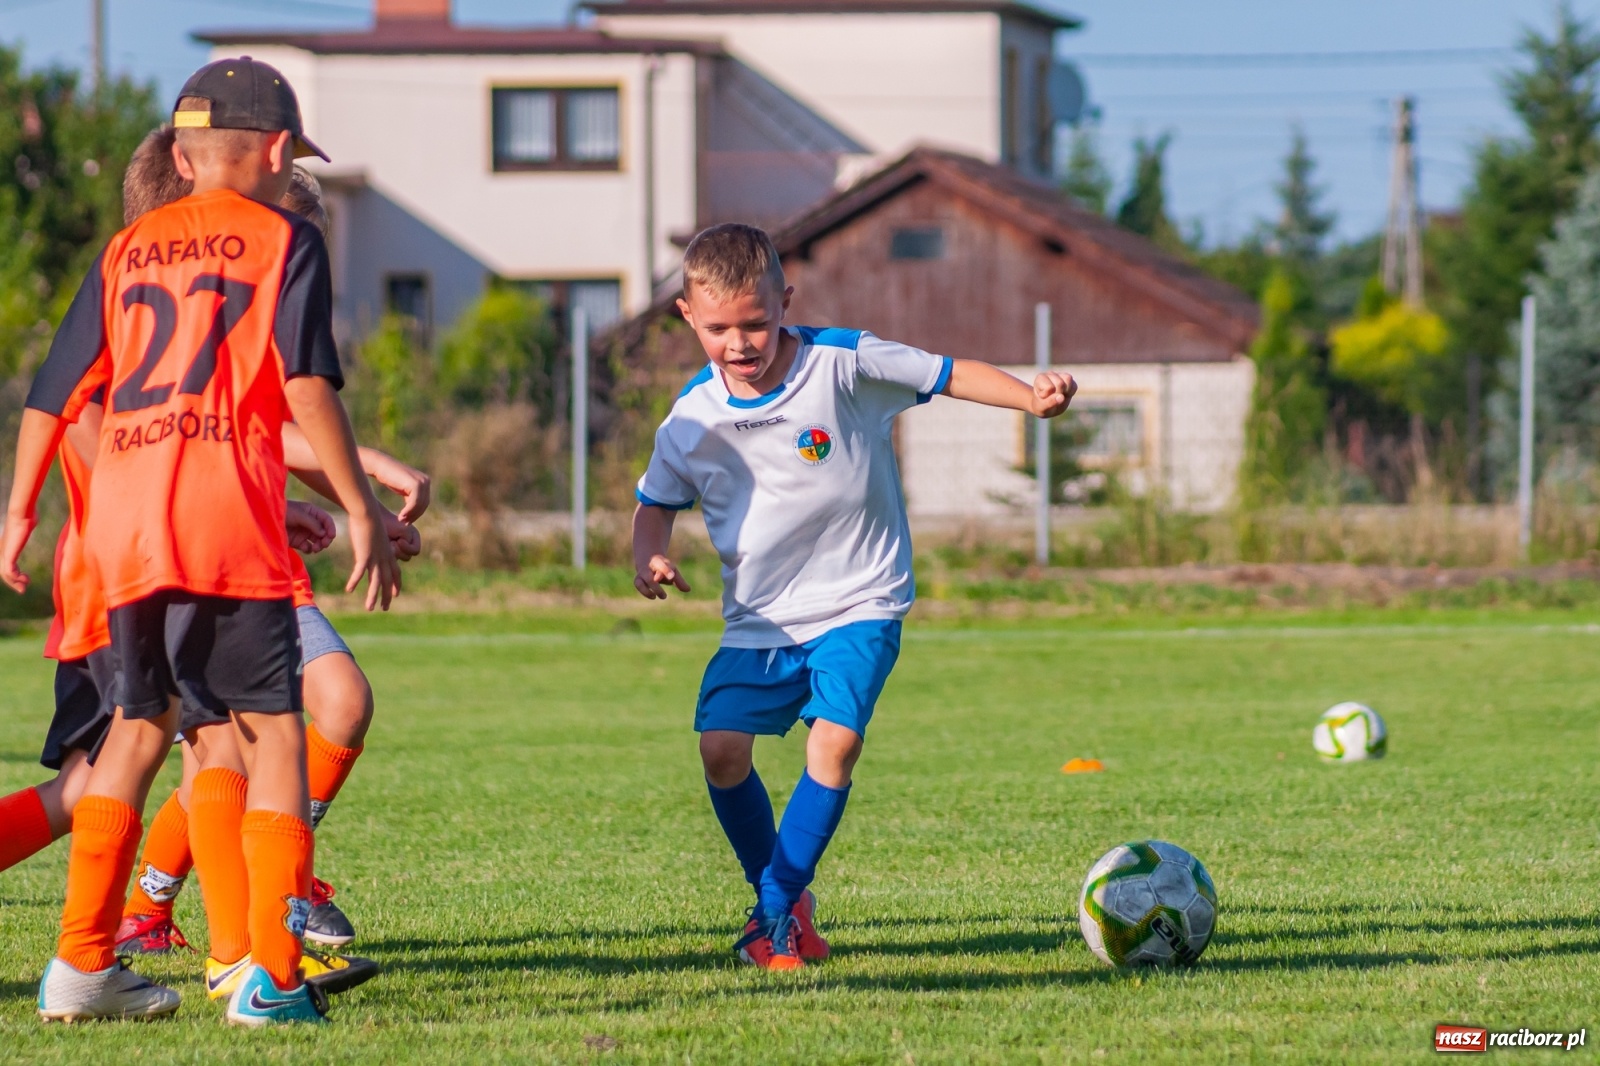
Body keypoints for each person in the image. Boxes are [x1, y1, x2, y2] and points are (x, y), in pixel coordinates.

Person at [0, 56, 399, 1025]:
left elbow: (55, 390)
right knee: (269, 738)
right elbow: (304, 385)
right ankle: (270, 975)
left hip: (124, 528)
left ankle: (85, 963)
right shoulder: (283, 238)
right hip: (220, 517)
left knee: (144, 732)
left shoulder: (128, 247)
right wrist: (356, 504)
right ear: (274, 151)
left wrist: (16, 510)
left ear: (179, 154)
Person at [632, 223, 1076, 969]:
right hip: (759, 621)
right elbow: (655, 499)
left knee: (833, 743)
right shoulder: (690, 418)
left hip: (861, 600)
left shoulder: (843, 363)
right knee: (720, 752)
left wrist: (1029, 399)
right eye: (719, 328)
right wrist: (650, 552)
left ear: (786, 302)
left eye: (756, 323)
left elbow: (946, 372)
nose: (740, 342)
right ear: (686, 315)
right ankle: (780, 895)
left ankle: (773, 912)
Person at [109, 132, 431, 960]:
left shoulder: (248, 298)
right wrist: (364, 479)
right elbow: (265, 419)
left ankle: (212, 901)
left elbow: (269, 429)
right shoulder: (175, 303)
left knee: (308, 720)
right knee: (217, 746)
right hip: (188, 558)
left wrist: (349, 505)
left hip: (254, 554)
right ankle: (233, 918)